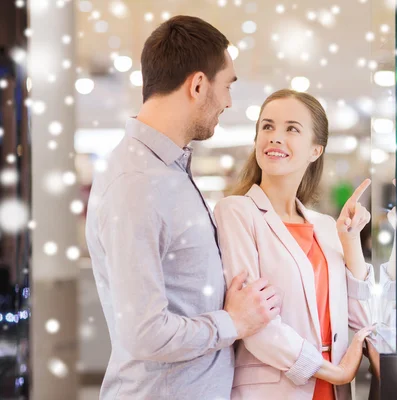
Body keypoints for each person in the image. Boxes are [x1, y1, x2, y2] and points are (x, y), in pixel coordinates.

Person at [85, 16, 281, 399]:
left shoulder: (166, 171)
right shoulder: (137, 183)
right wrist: (233, 321)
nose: (227, 102)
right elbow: (145, 334)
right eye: (227, 87)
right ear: (197, 85)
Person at [214, 89, 375, 400]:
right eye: (267, 126)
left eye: (291, 129)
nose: (275, 137)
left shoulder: (326, 227)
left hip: (333, 390)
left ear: (315, 150)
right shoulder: (236, 211)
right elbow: (254, 322)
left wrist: (350, 238)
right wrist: (333, 371)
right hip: (277, 389)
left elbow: (363, 319)